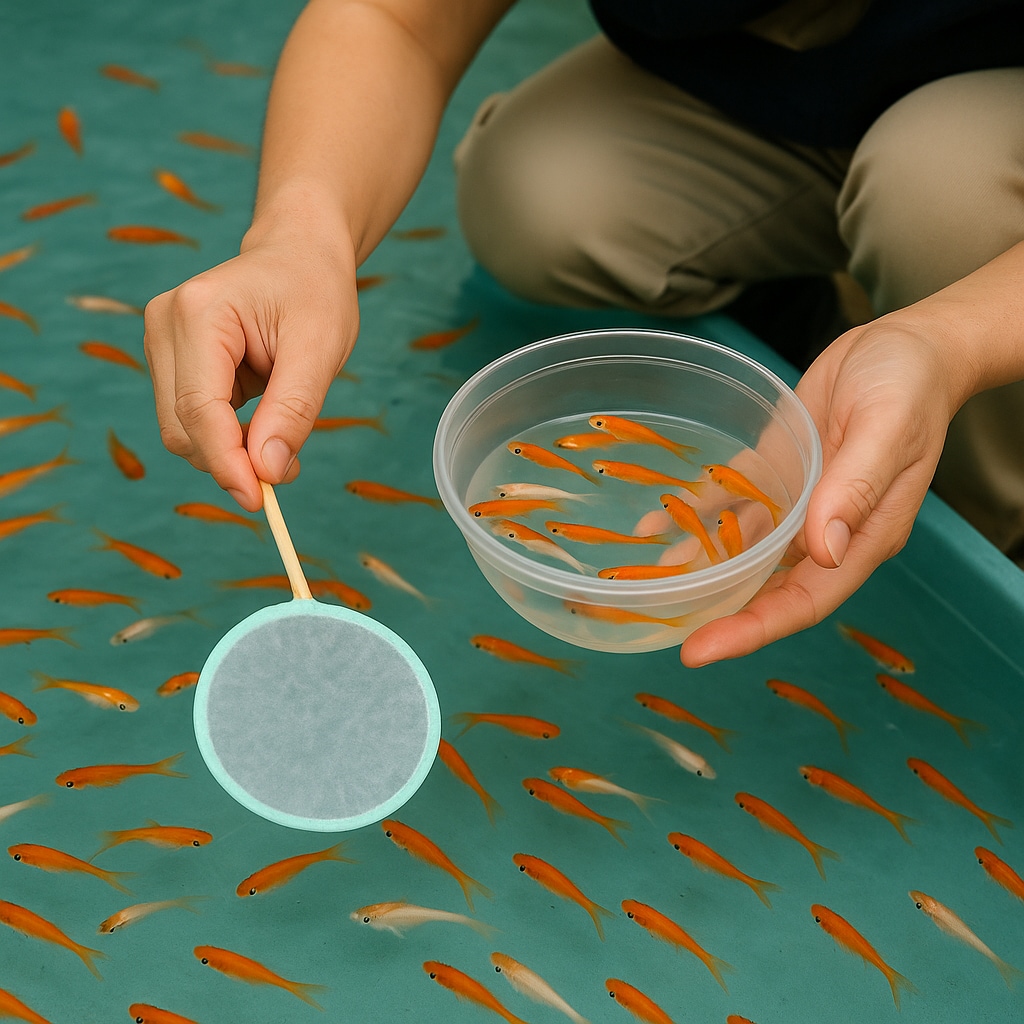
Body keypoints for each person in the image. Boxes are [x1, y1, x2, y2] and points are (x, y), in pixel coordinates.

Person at [143, 0, 1024, 669]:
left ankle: (984, 517)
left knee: (940, 201)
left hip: (990, 107)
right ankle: (800, 341)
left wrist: (949, 341)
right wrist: (301, 237)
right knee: (537, 193)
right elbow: (394, 20)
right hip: (761, 90)